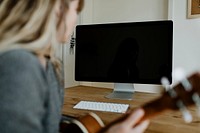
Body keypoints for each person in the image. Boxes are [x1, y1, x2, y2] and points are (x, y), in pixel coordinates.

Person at [0, 0, 149, 133]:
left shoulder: (52, 65)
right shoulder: (20, 66)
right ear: (58, 8)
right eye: (76, 10)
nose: (76, 19)